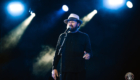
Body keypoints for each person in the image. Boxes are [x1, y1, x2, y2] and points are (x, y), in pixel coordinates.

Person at [52, 13, 92, 80]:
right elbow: (57, 53)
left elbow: (89, 51)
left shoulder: (84, 36)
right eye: (69, 22)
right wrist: (54, 68)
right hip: (65, 72)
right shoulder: (62, 36)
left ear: (78, 24)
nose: (70, 23)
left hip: (79, 72)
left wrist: (88, 55)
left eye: (72, 22)